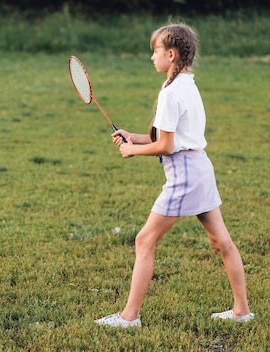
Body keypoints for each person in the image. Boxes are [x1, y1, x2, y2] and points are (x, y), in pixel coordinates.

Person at [94, 23, 254, 327]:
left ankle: (129, 317)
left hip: (184, 175)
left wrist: (131, 151)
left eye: (155, 51)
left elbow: (166, 146)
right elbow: (169, 136)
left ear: (171, 53)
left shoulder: (171, 93)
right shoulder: (185, 85)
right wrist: (135, 137)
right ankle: (242, 311)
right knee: (221, 242)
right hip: (200, 168)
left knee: (144, 239)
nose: (152, 57)